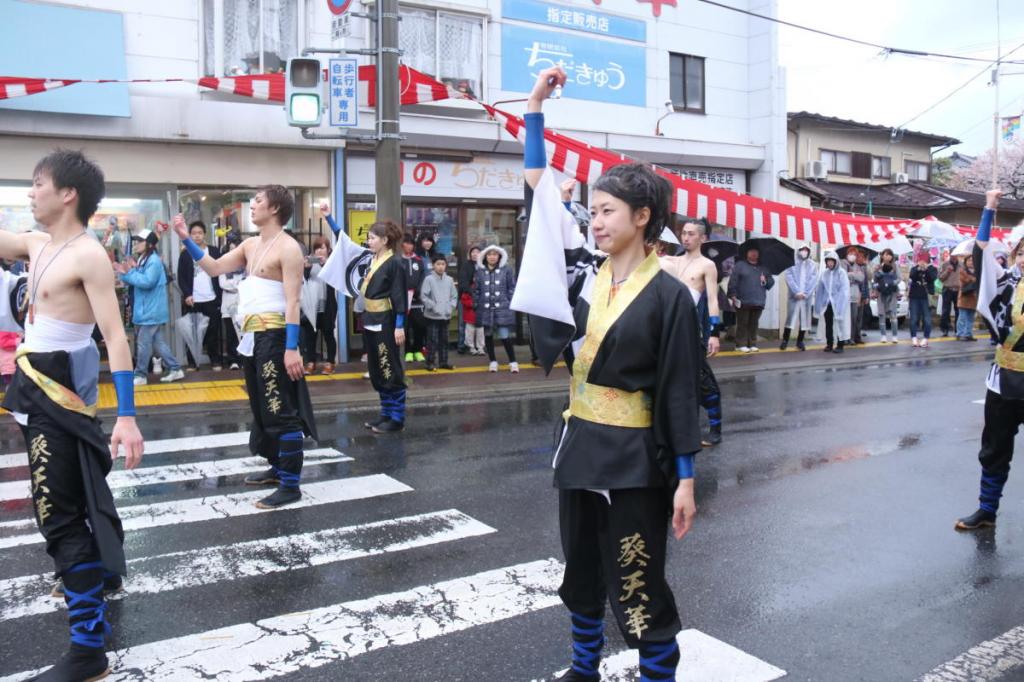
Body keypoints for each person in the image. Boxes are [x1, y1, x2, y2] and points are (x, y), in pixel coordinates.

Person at [515, 67, 700, 682]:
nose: (594, 221)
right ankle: (582, 667)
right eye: (591, 211)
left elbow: (678, 390)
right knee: (582, 570)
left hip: (635, 460)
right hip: (581, 446)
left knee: (638, 575)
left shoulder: (671, 295)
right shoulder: (582, 274)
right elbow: (540, 194)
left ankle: (656, 676)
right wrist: (535, 109)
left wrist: (685, 478)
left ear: (642, 216)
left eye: (607, 211)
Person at [0, 149, 144, 680]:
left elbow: (115, 337)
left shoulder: (89, 255)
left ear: (67, 194)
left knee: (58, 515)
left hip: (59, 394)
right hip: (34, 390)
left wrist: (127, 416)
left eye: (38, 183)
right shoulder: (37, 245)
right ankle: (100, 576)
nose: (29, 192)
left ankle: (88, 653)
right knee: (66, 501)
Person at [172, 185, 318, 508]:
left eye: (259, 201)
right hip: (252, 338)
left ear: (276, 208)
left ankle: (291, 484)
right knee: (262, 410)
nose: (253, 206)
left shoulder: (289, 248)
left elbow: (293, 302)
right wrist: (184, 237)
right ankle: (278, 468)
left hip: (277, 336)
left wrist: (292, 348)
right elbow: (213, 268)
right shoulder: (251, 245)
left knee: (280, 410)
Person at [956, 190, 1024, 530]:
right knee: (995, 449)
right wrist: (989, 209)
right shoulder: (1004, 281)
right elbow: (981, 255)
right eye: (1022, 250)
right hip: (1004, 381)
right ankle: (987, 511)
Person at [318, 203, 410, 433]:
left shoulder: (395, 262)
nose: (368, 241)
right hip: (370, 318)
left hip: (387, 321)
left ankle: (397, 418)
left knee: (389, 367)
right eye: (368, 238)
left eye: (372, 238)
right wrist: (329, 218)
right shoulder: (370, 258)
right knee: (377, 368)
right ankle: (385, 413)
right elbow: (344, 242)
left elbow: (399, 295)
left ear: (385, 240)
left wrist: (399, 326)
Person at [658, 218, 725, 446]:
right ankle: (673, 431)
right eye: (684, 233)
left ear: (702, 238)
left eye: (691, 234)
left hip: (691, 331)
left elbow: (713, 300)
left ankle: (715, 429)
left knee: (701, 380)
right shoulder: (669, 261)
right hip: (667, 330)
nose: (686, 237)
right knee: (668, 380)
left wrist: (714, 333)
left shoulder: (707, 265)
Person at [116, 229, 185, 385]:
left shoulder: (153, 261)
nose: (136, 244)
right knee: (157, 342)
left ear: (149, 244)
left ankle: (140, 375)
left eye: (139, 241)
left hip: (150, 311)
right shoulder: (144, 259)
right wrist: (129, 272)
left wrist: (128, 274)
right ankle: (175, 369)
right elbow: (140, 279)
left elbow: (147, 282)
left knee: (143, 343)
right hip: (148, 310)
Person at [176, 220, 223, 370]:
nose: (197, 236)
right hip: (193, 299)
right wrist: (187, 294)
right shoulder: (185, 254)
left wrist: (220, 296)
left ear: (205, 234)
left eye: (199, 233)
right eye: (194, 233)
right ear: (189, 235)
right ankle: (192, 362)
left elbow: (221, 272)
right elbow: (181, 277)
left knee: (213, 331)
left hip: (211, 298)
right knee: (193, 332)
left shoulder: (214, 252)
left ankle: (215, 360)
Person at [474, 244, 518, 373]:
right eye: (489, 254)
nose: (492, 257)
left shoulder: (507, 269)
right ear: (485, 256)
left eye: (494, 254)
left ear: (499, 256)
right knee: (488, 335)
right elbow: (476, 290)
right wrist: (477, 304)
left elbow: (511, 287)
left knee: (505, 335)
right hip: (486, 308)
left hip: (502, 308)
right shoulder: (480, 271)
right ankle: (493, 361)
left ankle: (513, 361)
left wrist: (509, 301)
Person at [301, 236, 338, 375]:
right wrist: (306, 268)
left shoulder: (332, 263)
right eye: (316, 248)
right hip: (312, 305)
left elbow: (333, 280)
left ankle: (330, 363)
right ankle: (311, 362)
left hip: (327, 305)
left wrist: (324, 264)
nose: (319, 251)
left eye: (322, 248)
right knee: (310, 335)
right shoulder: (309, 262)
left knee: (328, 334)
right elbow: (303, 281)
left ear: (328, 250)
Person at [727, 246, 774, 352]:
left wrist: (765, 279)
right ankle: (740, 344)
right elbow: (733, 281)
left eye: (756, 251)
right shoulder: (740, 265)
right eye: (751, 251)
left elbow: (770, 284)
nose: (754, 253)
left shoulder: (764, 268)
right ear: (747, 253)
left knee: (754, 323)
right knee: (743, 323)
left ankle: (752, 343)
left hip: (759, 300)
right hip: (743, 299)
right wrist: (732, 294)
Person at [421, 253, 458, 371]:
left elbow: (454, 296)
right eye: (438, 264)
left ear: (446, 265)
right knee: (432, 340)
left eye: (443, 264)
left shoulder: (449, 280)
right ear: (433, 265)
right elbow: (424, 296)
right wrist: (434, 307)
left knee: (444, 340)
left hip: (445, 315)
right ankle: (430, 363)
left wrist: (450, 308)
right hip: (432, 316)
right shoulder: (429, 279)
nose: (441, 267)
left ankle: (443, 362)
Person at [780, 243, 817, 351]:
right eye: (802, 249)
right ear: (799, 250)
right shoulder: (792, 263)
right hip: (794, 296)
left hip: (806, 297)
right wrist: (796, 291)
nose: (804, 251)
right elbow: (789, 276)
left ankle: (800, 341)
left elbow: (813, 279)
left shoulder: (812, 265)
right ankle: (785, 340)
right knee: (790, 318)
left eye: (806, 250)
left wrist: (806, 293)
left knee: (804, 319)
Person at [814, 250, 850, 353]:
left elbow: (844, 290)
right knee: (828, 324)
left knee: (840, 323)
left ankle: (840, 345)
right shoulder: (824, 274)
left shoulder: (841, 273)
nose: (829, 263)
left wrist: (840, 304)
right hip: (827, 304)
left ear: (836, 261)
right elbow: (820, 290)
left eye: (831, 261)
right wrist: (819, 304)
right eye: (828, 261)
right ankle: (829, 344)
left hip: (838, 303)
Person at [219, 231, 244, 370]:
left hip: (242, 302)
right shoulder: (223, 263)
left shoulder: (245, 263)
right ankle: (233, 359)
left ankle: (244, 358)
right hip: (228, 302)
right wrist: (238, 285)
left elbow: (247, 280)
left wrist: (237, 285)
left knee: (244, 331)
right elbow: (223, 283)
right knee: (230, 333)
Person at [400, 234, 427, 363]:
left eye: (411, 243)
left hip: (417, 300)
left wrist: (419, 291)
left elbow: (423, 277)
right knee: (405, 327)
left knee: (419, 326)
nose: (409, 246)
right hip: (402, 299)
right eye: (406, 243)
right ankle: (407, 351)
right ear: (402, 244)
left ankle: (418, 350)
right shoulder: (397, 260)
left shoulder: (419, 260)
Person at [908, 251, 938, 348]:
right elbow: (912, 276)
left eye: (924, 259)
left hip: (926, 297)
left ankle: (926, 338)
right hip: (914, 296)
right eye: (920, 259)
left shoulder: (932, 269)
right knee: (913, 318)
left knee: (927, 319)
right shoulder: (914, 268)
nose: (922, 261)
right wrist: (918, 268)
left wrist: (927, 268)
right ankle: (914, 338)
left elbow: (933, 278)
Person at [872, 248, 902, 343]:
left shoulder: (895, 266)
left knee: (893, 314)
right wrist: (875, 289)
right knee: (882, 314)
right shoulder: (877, 266)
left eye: (890, 254)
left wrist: (892, 282)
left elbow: (900, 278)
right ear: (882, 256)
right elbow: (874, 280)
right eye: (886, 254)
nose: (888, 256)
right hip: (881, 293)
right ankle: (883, 336)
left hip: (892, 292)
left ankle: (895, 336)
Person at [457, 245, 481, 354]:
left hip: (480, 299)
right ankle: (462, 345)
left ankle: (477, 346)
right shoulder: (466, 265)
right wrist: (473, 293)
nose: (475, 254)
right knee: (463, 323)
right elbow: (463, 283)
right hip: (466, 298)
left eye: (477, 252)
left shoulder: (483, 266)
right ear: (470, 254)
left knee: (479, 323)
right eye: (473, 252)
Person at [842, 248, 868, 345]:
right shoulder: (843, 263)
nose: (852, 255)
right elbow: (843, 275)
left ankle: (851, 338)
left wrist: (850, 276)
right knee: (845, 318)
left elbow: (861, 278)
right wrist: (854, 275)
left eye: (854, 254)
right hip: (845, 296)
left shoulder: (858, 266)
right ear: (847, 254)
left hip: (854, 296)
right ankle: (844, 337)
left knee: (854, 317)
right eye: (850, 253)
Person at [956, 254, 979, 341]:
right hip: (964, 296)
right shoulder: (962, 271)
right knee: (962, 316)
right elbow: (964, 281)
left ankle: (968, 334)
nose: (971, 262)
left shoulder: (977, 271)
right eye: (969, 260)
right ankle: (960, 333)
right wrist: (973, 279)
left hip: (973, 297)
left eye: (973, 260)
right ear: (965, 262)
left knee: (971, 317)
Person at [938, 251, 960, 337]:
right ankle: (945, 329)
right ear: (950, 254)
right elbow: (940, 278)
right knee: (945, 311)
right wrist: (947, 271)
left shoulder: (961, 265)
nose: (954, 256)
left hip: (958, 289)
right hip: (947, 289)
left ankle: (958, 329)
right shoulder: (945, 264)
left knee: (958, 311)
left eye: (956, 254)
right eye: (953, 254)